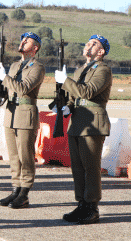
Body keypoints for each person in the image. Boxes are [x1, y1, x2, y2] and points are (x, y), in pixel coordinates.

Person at [55, 35, 112, 224]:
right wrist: (66, 107)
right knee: (78, 168)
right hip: (77, 123)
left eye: (94, 44)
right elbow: (74, 97)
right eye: (87, 42)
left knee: (91, 167)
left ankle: (92, 207)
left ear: (101, 51)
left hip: (93, 123)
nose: (88, 44)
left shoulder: (103, 69)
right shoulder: (80, 69)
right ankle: (81, 204)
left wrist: (66, 80)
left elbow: (87, 92)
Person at [0, 32, 45, 209]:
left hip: (25, 114)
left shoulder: (37, 67)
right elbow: (9, 90)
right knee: (14, 156)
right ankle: (15, 189)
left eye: (27, 41)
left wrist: (4, 77)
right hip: (10, 113)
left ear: (35, 48)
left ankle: (24, 193)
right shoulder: (15, 65)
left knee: (25, 156)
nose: (22, 42)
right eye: (22, 39)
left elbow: (22, 88)